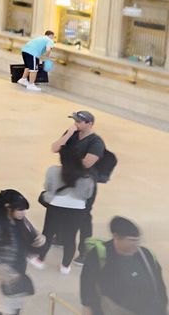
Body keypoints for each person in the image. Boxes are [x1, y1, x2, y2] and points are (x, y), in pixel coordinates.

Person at [80, 216, 168, 315]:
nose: (136, 245)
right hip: (112, 309)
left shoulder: (146, 255)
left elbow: (159, 285)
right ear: (116, 237)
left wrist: (162, 308)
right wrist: (87, 306)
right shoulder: (99, 255)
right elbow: (87, 282)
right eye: (131, 240)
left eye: (138, 241)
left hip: (147, 310)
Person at [52, 110, 108, 259]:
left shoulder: (96, 142)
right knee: (63, 208)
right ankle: (62, 238)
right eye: (74, 121)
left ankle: (85, 250)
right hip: (68, 178)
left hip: (85, 183)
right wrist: (68, 135)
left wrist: (68, 160)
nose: (75, 124)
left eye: (78, 122)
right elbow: (55, 148)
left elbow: (87, 163)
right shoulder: (71, 134)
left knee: (83, 216)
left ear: (89, 124)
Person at [0, 189, 45, 315]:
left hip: (18, 270)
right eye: (20, 209)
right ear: (8, 208)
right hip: (1, 275)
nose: (23, 213)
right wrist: (1, 268)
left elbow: (29, 239)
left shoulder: (22, 221)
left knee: (14, 307)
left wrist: (39, 240)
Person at [30, 148, 95, 274]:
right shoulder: (87, 177)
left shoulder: (53, 171)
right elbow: (88, 195)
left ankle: (40, 260)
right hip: (77, 210)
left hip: (56, 206)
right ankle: (65, 266)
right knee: (70, 237)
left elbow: (47, 188)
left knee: (48, 234)